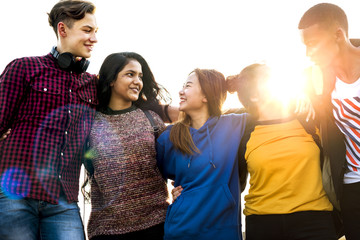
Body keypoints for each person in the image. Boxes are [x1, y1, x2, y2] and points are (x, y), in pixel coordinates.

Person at [0, 1, 98, 239]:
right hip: (15, 195)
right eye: (87, 30)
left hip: (63, 200)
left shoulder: (93, 85)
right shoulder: (24, 68)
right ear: (63, 29)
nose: (94, 38)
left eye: (96, 32)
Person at [227, 63, 337, 240]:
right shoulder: (243, 132)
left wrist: (307, 94)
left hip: (315, 220)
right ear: (254, 97)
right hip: (263, 224)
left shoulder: (309, 117)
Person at [83, 52, 171, 240]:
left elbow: (172, 166)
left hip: (155, 227)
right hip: (106, 231)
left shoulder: (152, 120)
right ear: (111, 80)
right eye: (130, 74)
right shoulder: (89, 124)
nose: (137, 81)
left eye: (140, 76)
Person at [156, 68, 247, 240]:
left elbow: (267, 108)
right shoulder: (169, 137)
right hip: (180, 230)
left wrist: (303, 100)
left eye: (188, 86)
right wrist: (176, 193)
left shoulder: (235, 124)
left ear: (206, 96)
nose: (181, 91)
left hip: (222, 231)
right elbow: (160, 176)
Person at [298, 3, 360, 240]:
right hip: (353, 187)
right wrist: (303, 93)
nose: (308, 53)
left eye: (312, 44)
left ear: (338, 35)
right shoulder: (316, 81)